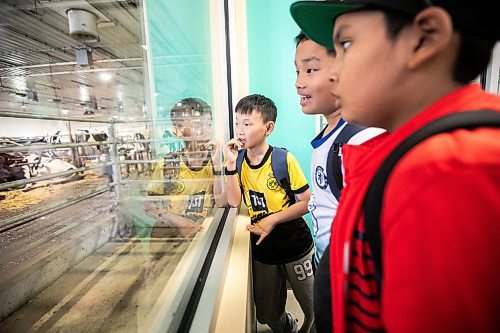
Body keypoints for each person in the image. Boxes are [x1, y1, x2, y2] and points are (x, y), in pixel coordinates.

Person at [291, 1, 500, 332]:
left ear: (424, 39)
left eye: (345, 44)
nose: (333, 72)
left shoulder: (446, 171)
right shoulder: (399, 151)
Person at [294, 31, 384, 332]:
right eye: (297, 71)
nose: (299, 83)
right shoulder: (328, 137)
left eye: (310, 70)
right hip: (327, 270)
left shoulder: (361, 140)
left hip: (352, 285)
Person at [224, 94, 315, 333]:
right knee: (266, 313)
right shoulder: (240, 160)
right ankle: (289, 327)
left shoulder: (283, 159)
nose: (240, 130)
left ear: (268, 127)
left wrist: (273, 219)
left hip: (295, 245)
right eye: (237, 123)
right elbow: (234, 200)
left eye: (247, 123)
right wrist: (230, 164)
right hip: (263, 248)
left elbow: (307, 202)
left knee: (314, 309)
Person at [144, 97, 226, 237]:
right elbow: (148, 206)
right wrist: (179, 221)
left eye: (209, 124)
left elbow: (222, 202)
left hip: (204, 237)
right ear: (177, 131)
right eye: (197, 126)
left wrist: (218, 165)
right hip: (172, 238)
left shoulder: (218, 160)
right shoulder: (168, 164)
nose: (205, 131)